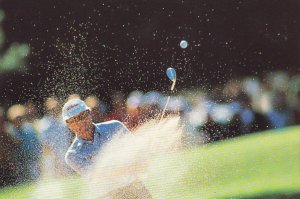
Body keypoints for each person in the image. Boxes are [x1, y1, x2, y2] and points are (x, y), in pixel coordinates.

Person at [62, 99, 152, 198]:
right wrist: (128, 166)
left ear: (89, 113)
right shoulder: (72, 155)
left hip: (136, 188)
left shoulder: (115, 126)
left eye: (82, 116)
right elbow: (99, 174)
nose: (80, 122)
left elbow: (136, 150)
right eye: (74, 120)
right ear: (68, 125)